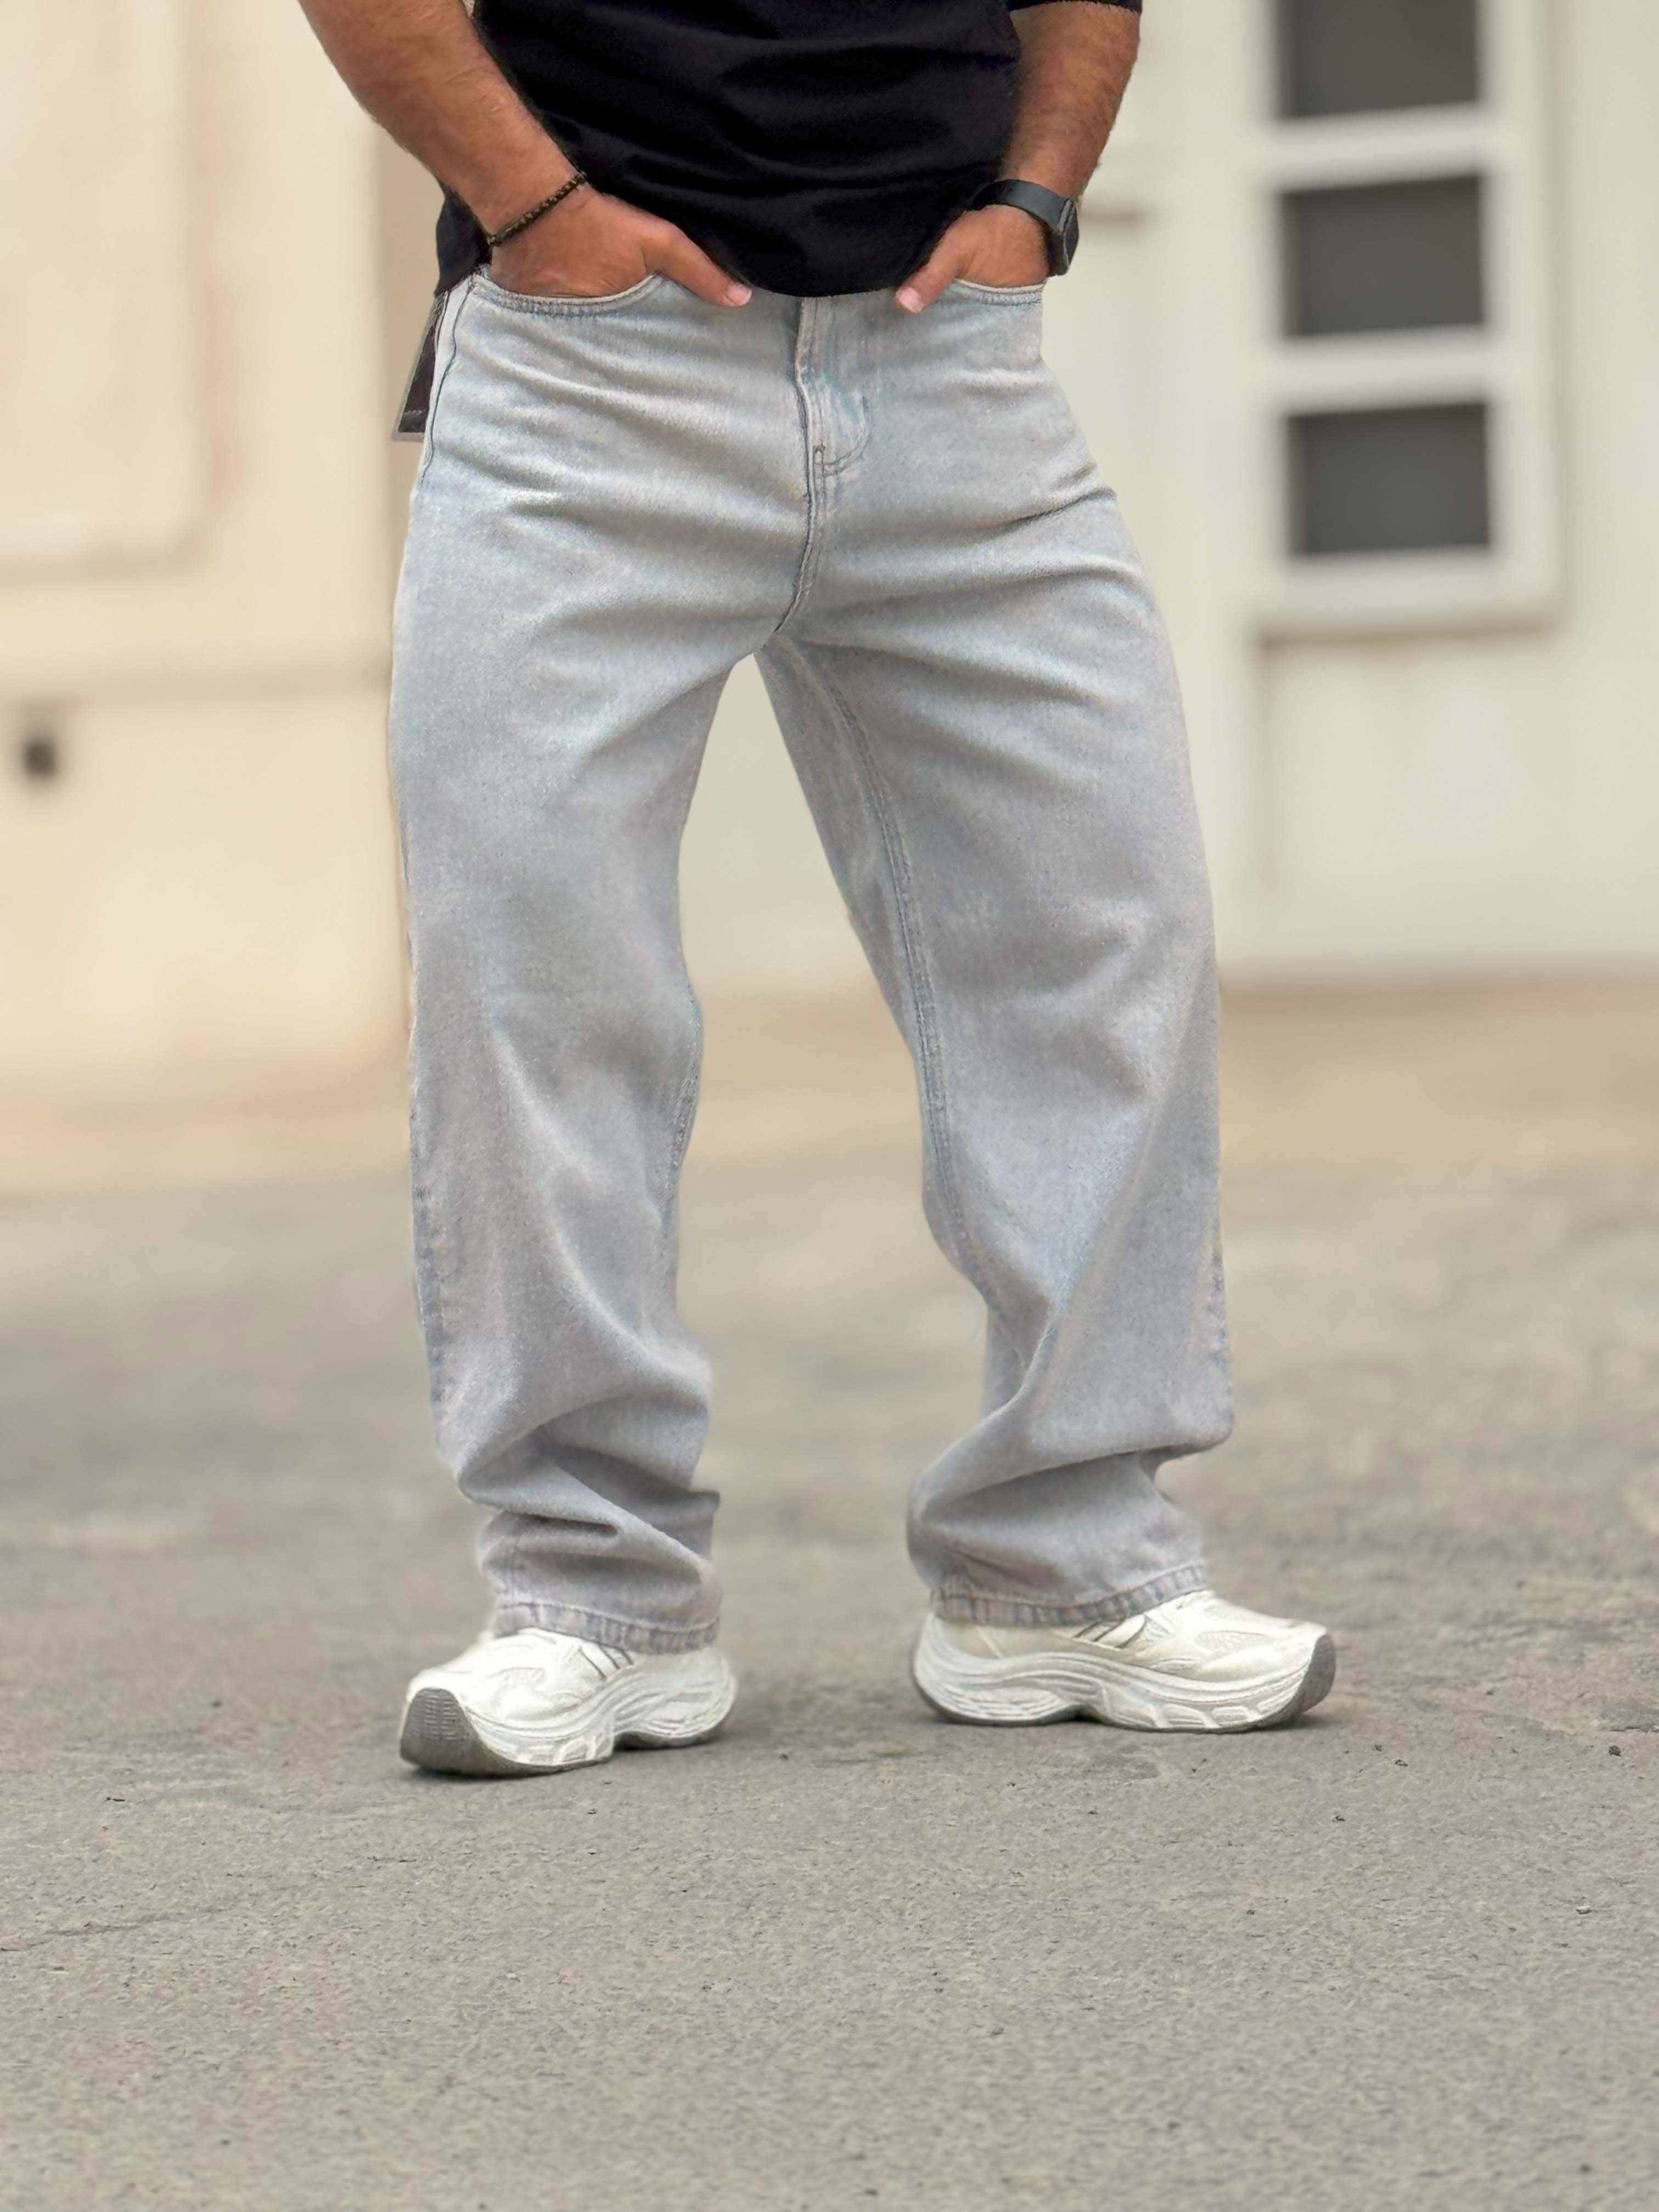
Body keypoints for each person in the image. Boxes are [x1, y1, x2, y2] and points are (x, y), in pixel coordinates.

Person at [297, 0, 1335, 1776]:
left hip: (950, 360)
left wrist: (1039, 202)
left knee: (1108, 933)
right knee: (537, 977)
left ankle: (1065, 1572)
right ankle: (592, 1596)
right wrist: (537, 213)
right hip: (591, 372)